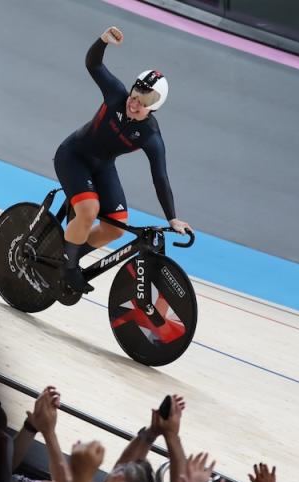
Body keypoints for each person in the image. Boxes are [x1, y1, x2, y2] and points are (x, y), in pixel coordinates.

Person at [54, 26, 191, 294]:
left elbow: (160, 177)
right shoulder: (116, 94)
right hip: (74, 156)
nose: (134, 103)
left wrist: (172, 218)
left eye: (143, 102)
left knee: (115, 227)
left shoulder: (151, 136)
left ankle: (67, 254)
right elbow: (93, 64)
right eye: (135, 95)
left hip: (102, 166)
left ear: (154, 108)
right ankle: (67, 269)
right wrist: (103, 41)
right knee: (88, 211)